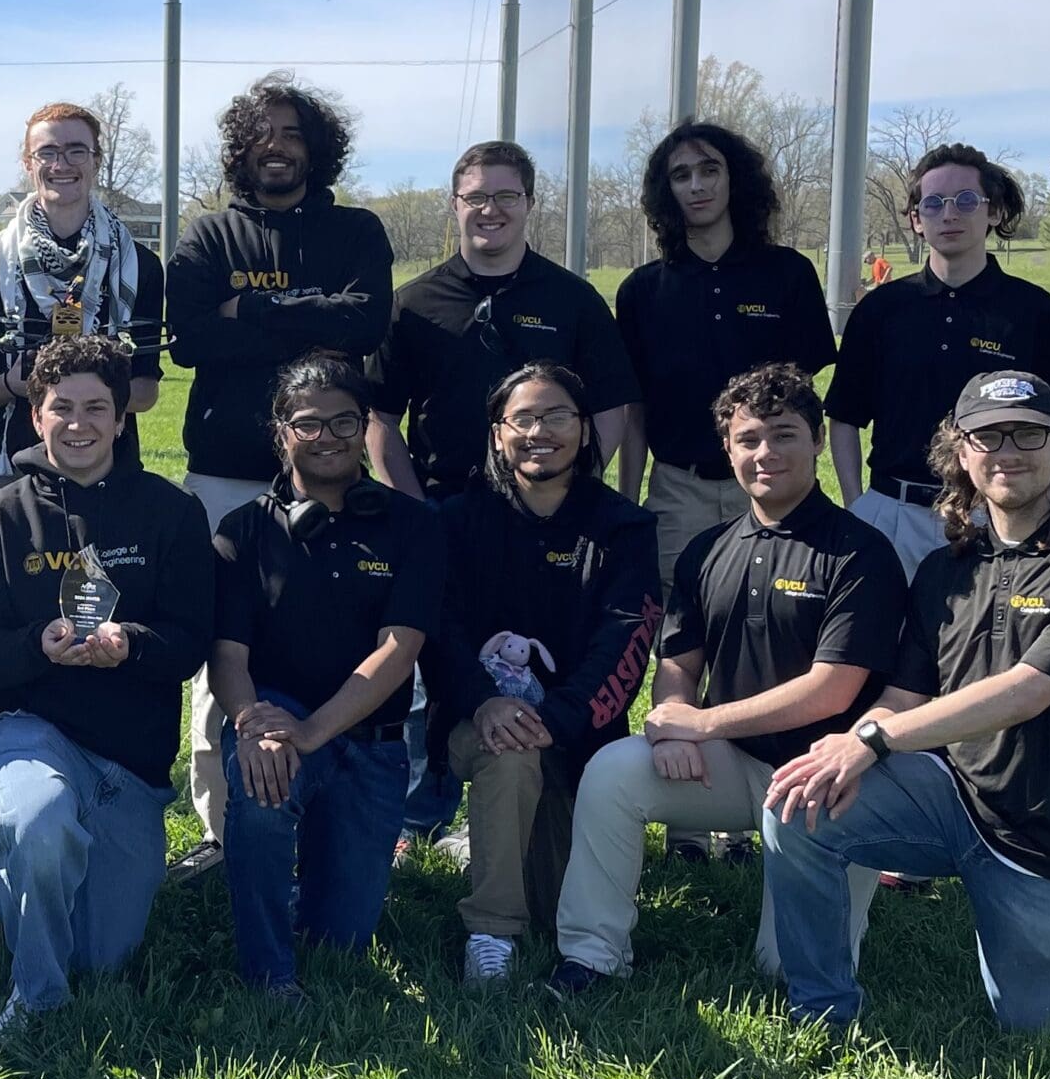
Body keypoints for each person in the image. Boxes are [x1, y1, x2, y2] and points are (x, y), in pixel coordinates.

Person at [761, 370, 1050, 1033]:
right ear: (963, 454)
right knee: (796, 802)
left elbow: (1025, 693)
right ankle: (821, 1010)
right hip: (951, 798)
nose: (1009, 451)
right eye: (988, 436)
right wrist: (846, 746)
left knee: (1039, 1036)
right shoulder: (949, 568)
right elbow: (900, 698)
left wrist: (871, 741)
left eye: (1029, 434)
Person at [546, 364, 903, 996]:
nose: (766, 454)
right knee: (612, 772)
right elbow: (679, 663)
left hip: (831, 784)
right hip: (732, 765)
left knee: (785, 972)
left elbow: (834, 689)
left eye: (785, 435)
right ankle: (591, 956)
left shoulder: (861, 552)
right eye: (749, 439)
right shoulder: (705, 550)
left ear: (818, 441)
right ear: (728, 449)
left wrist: (703, 722)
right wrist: (676, 725)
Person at [368, 140, 639, 851]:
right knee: (433, 660)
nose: (490, 209)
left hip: (543, 517)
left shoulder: (571, 299)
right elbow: (378, 417)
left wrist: (570, 482)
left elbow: (611, 404)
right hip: (441, 512)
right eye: (475, 197)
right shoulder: (415, 304)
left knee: (527, 654)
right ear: (455, 205)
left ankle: (543, 794)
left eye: (505, 197)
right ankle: (421, 814)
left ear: (528, 205)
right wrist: (413, 509)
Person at [0, 336, 215, 1036]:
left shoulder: (172, 513)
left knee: (103, 953)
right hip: (30, 730)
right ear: (35, 415)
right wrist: (37, 647)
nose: (79, 424)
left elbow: (191, 641)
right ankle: (34, 1001)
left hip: (129, 757)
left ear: (124, 417)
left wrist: (130, 646)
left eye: (97, 407)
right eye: (60, 407)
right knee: (39, 823)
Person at [165, 75, 393, 855]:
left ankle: (327, 808)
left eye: (292, 133)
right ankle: (221, 827)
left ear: (316, 148)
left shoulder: (356, 231)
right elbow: (189, 339)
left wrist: (251, 311)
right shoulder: (207, 237)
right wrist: (306, 315)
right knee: (220, 644)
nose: (276, 146)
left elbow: (365, 320)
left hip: (330, 467)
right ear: (241, 148)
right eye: (261, 134)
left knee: (331, 632)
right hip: (227, 470)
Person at [209, 354, 443, 998]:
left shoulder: (414, 526)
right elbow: (228, 658)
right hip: (276, 717)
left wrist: (311, 731)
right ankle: (267, 973)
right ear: (280, 431)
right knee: (260, 788)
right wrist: (254, 724)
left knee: (338, 938)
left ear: (366, 427)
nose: (330, 438)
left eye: (346, 422)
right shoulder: (244, 530)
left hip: (368, 740)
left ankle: (300, 887)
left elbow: (400, 649)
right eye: (309, 425)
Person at [418, 363, 660, 984]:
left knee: (557, 908)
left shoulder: (623, 528)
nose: (538, 431)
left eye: (556, 416)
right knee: (510, 757)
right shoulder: (455, 519)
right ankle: (491, 933)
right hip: (480, 725)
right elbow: (438, 630)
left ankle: (501, 849)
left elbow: (626, 642)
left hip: (576, 731)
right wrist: (485, 703)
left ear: (584, 429)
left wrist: (556, 718)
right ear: (497, 433)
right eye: (521, 418)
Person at [826, 143, 1050, 577]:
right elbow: (844, 416)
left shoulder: (1033, 310)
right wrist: (855, 503)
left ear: (992, 212)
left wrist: (1044, 495)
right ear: (917, 220)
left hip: (991, 515)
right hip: (891, 514)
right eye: (933, 203)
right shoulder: (880, 310)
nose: (949, 214)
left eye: (966, 201)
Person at [612, 122, 834, 571]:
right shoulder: (642, 291)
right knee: (677, 629)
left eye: (709, 169)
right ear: (665, 191)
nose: (697, 185)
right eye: (681, 175)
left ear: (735, 178)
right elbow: (633, 412)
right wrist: (628, 506)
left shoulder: (789, 274)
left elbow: (803, 400)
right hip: (678, 491)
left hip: (773, 481)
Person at [0, 101, 166, 493]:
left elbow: (145, 393)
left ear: (96, 160)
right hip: (14, 466)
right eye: (47, 152)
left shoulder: (136, 264)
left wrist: (86, 392)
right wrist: (15, 382)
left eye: (76, 150)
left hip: (113, 471)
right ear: (28, 163)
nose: (62, 164)